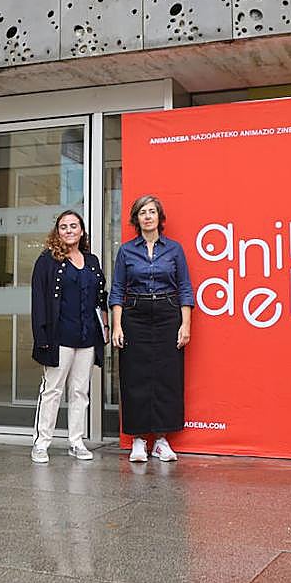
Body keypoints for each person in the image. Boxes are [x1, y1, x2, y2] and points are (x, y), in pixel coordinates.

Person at [109, 194, 193, 463]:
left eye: (152, 212)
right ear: (136, 219)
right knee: (134, 377)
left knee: (167, 377)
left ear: (159, 218)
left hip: (168, 316)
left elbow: (185, 289)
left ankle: (160, 440)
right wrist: (117, 325)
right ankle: (137, 440)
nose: (147, 216)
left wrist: (185, 325)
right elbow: (118, 290)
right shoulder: (126, 251)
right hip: (135, 316)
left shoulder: (174, 249)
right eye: (142, 212)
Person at [29, 210, 107, 463]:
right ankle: (41, 443)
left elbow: (100, 298)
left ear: (82, 231)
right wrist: (41, 335)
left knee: (80, 391)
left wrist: (104, 328)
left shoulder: (92, 260)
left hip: (86, 337)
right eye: (64, 227)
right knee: (52, 390)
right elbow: (39, 301)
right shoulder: (47, 261)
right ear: (57, 232)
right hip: (59, 337)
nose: (69, 230)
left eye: (74, 226)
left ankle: (76, 441)